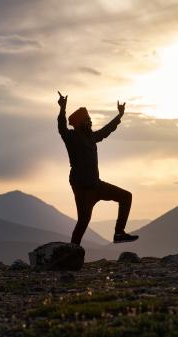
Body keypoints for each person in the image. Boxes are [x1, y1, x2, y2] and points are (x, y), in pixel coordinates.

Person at [56, 91, 138, 245]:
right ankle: (72, 251)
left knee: (126, 197)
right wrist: (62, 108)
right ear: (80, 123)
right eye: (87, 119)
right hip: (82, 189)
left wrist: (119, 116)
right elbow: (61, 128)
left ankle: (119, 233)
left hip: (96, 184)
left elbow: (107, 130)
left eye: (90, 119)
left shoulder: (91, 137)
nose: (91, 121)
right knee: (83, 222)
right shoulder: (72, 137)